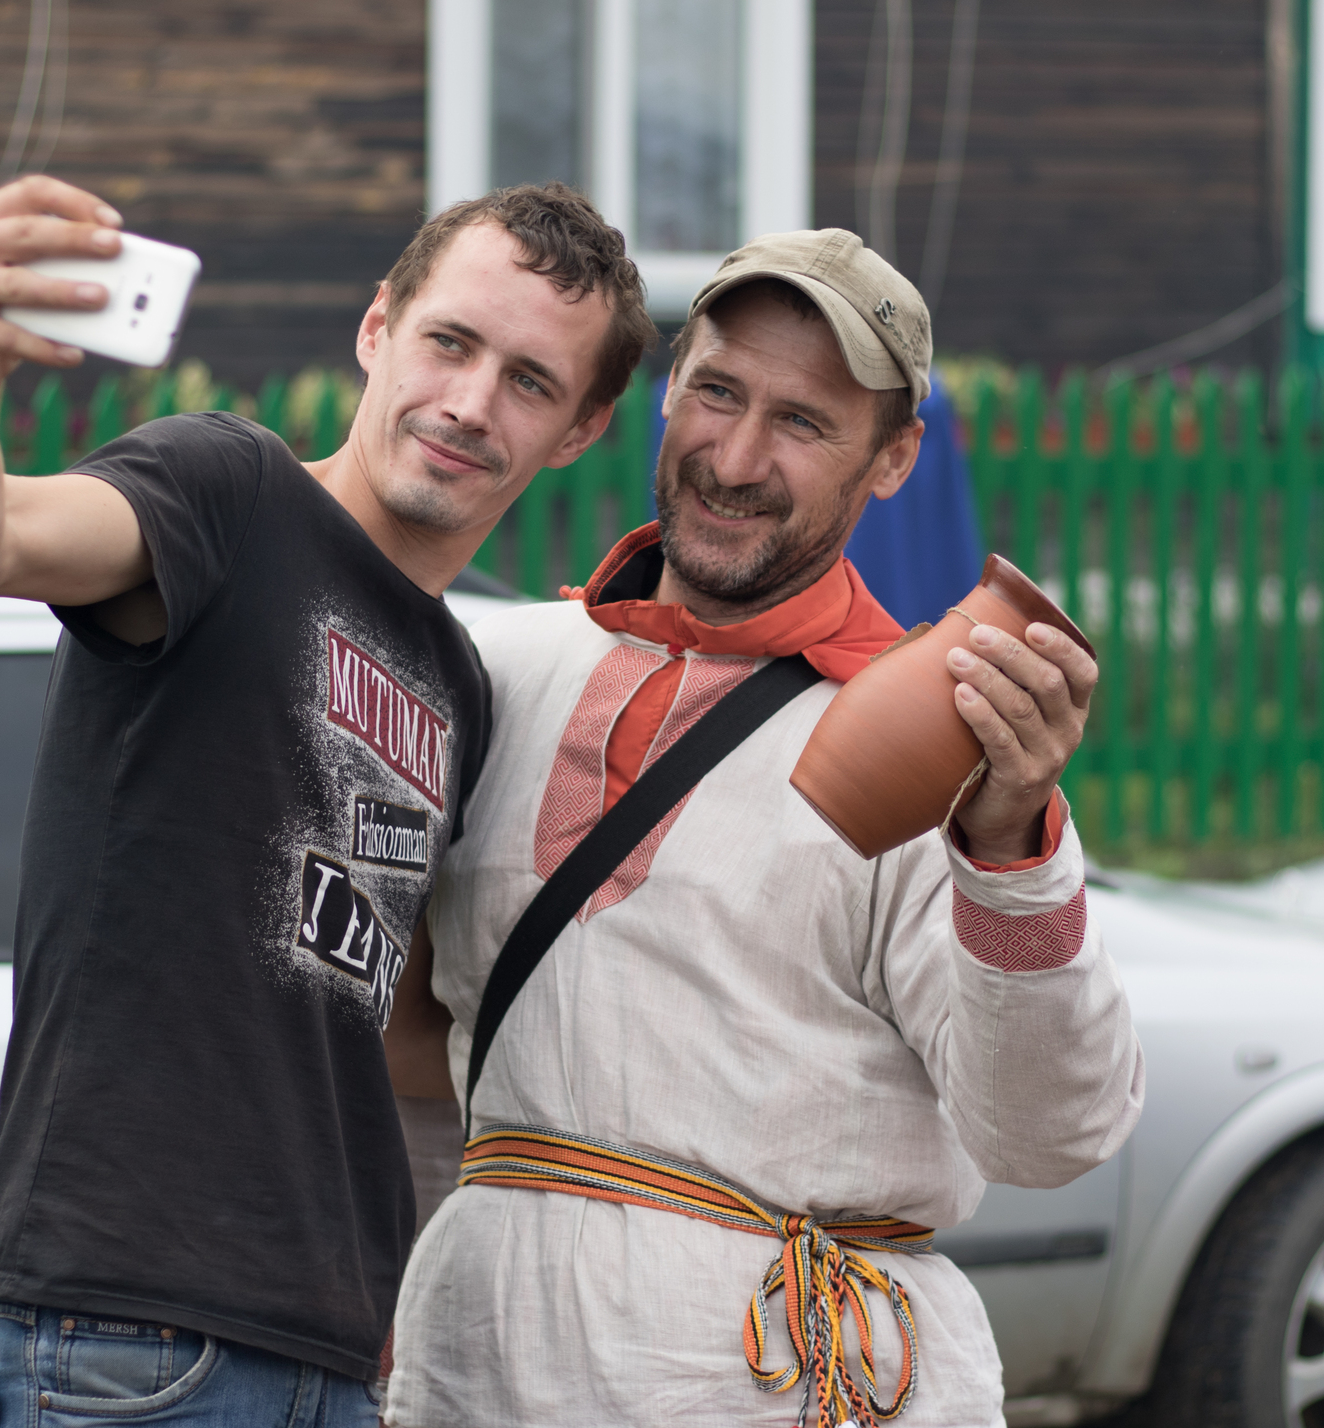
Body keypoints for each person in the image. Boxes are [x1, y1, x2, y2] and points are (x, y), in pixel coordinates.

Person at [0, 173, 656, 1428]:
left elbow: (393, 1038)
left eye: (529, 380)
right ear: (376, 329)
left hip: (335, 1357)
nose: (468, 403)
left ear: (576, 431)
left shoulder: (455, 677)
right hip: (128, 1336)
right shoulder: (226, 494)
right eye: (448, 342)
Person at [382, 230, 1145, 1427]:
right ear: (667, 393)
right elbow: (404, 1057)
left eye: (802, 422)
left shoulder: (945, 752)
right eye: (717, 393)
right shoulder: (494, 669)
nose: (734, 458)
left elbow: (1050, 1134)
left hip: (780, 1385)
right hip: (484, 1370)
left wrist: (1007, 850)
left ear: (892, 460)